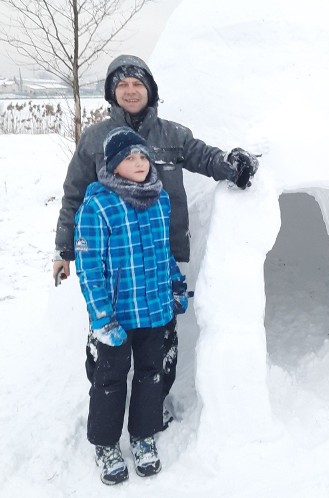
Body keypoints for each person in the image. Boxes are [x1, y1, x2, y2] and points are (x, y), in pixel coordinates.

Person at [52, 54, 259, 426]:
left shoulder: (172, 134)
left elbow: (203, 157)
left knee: (161, 339)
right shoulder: (95, 139)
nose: (131, 91)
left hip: (163, 253)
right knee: (106, 337)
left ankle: (154, 400)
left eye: (138, 84)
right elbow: (74, 194)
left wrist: (233, 166)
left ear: (150, 90)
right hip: (114, 263)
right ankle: (106, 398)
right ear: (112, 92)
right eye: (123, 85)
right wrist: (65, 249)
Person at [75, 127, 190, 484]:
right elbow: (89, 268)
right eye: (129, 158)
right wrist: (101, 318)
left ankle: (143, 435)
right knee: (109, 380)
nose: (139, 163)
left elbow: (164, 251)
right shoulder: (97, 206)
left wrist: (175, 285)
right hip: (117, 317)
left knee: (150, 374)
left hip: (154, 310)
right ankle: (106, 443)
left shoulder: (160, 199)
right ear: (112, 165)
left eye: (142, 156)